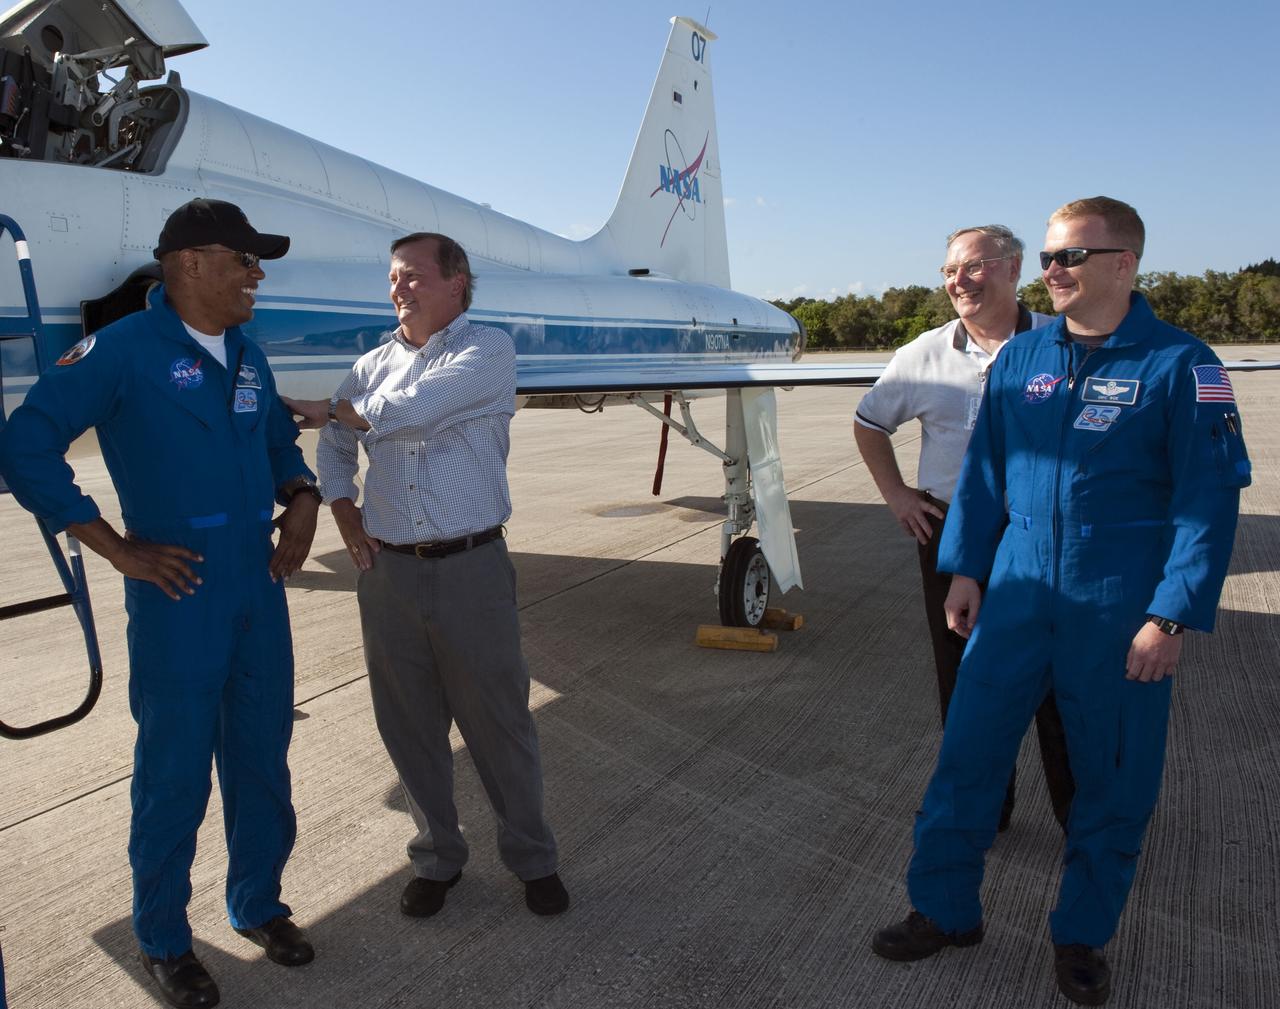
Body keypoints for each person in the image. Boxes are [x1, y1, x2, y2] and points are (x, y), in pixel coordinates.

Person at [870, 197, 1250, 1006]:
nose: (1053, 271)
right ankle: (943, 907)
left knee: (1112, 778)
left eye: (1070, 256)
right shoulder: (1021, 359)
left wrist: (1170, 613)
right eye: (1048, 257)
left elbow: (1208, 502)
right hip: (1014, 593)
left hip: (1117, 608)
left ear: (1124, 263)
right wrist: (966, 568)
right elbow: (982, 474)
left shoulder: (1185, 366)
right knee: (965, 757)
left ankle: (1081, 933)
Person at [0, 199, 320, 1009]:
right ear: (188, 263)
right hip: (178, 587)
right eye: (244, 259)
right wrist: (112, 546)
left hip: (258, 580)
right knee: (174, 772)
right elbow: (24, 444)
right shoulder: (122, 351)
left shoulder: (248, 353)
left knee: (261, 757)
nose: (256, 274)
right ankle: (165, 937)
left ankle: (258, 903)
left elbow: (278, 441)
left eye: (259, 262)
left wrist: (305, 494)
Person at [285, 232, 568, 920]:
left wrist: (330, 407)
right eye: (392, 277)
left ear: (456, 283)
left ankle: (533, 860)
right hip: (388, 571)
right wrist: (344, 508)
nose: (399, 288)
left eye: (413, 276)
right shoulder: (369, 364)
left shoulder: (486, 350)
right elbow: (336, 448)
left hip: (470, 565)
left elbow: (411, 411)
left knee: (499, 724)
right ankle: (438, 857)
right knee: (408, 726)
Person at [854, 225, 1074, 831]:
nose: (957, 281)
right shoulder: (924, 353)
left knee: (1059, 678)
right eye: (949, 271)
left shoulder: (1064, 342)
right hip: (950, 533)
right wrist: (897, 495)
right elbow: (869, 422)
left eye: (972, 267)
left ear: (1013, 268)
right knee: (965, 677)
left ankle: (1079, 812)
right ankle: (981, 807)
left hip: (1043, 533)